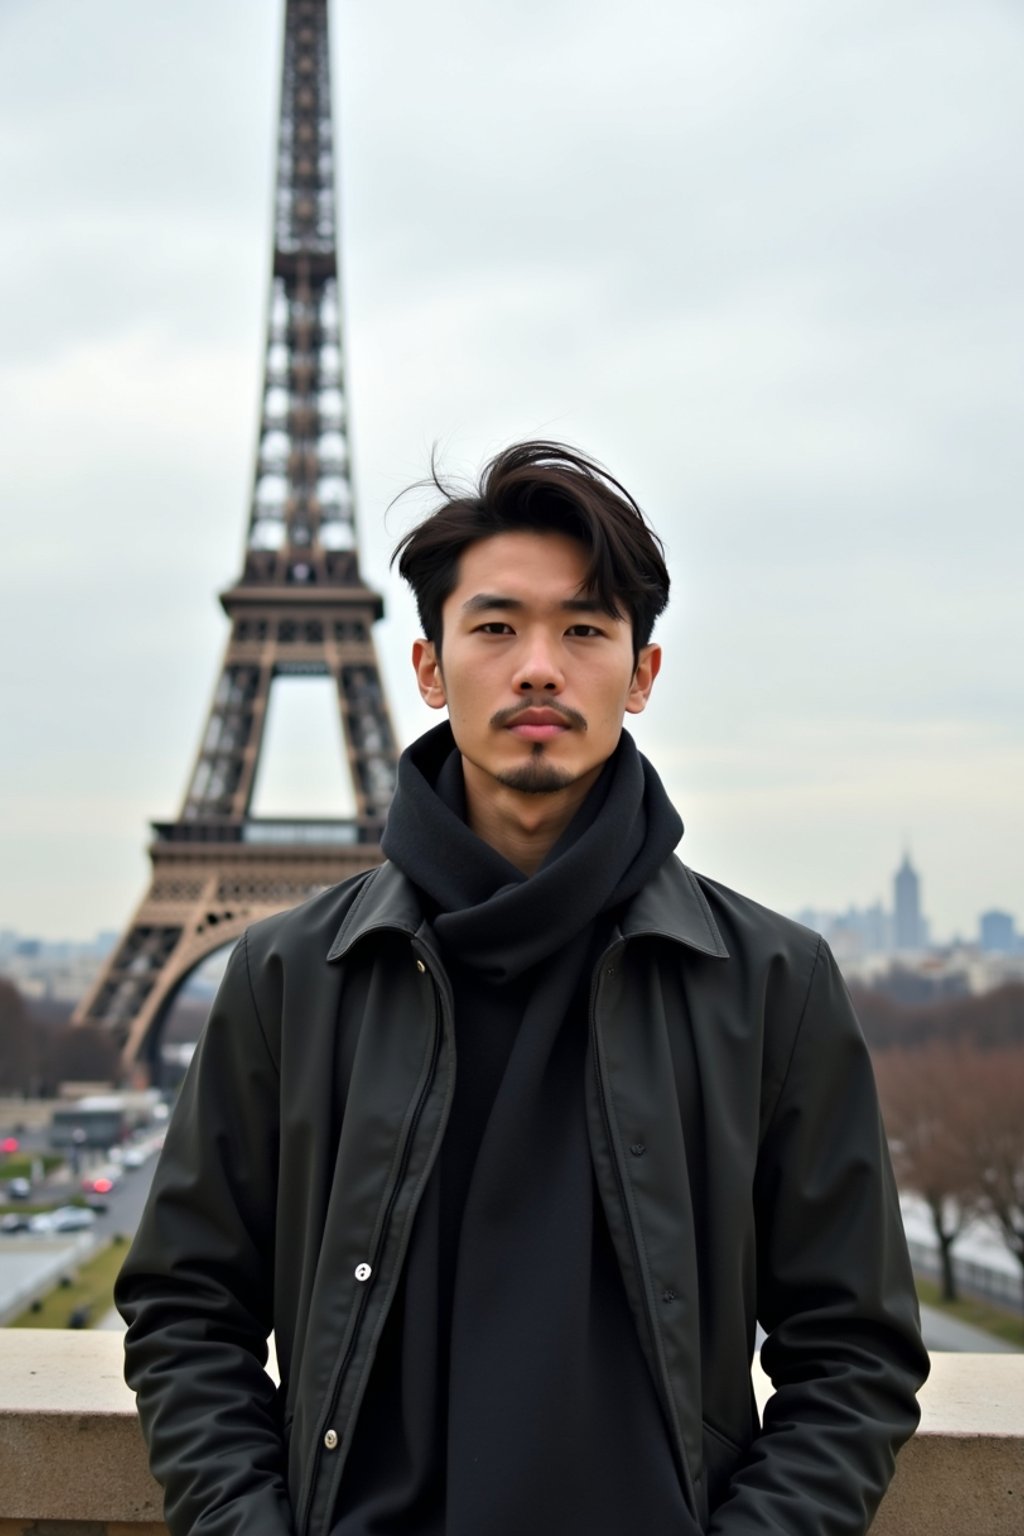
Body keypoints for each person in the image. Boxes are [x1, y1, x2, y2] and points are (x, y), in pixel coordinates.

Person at [116, 441, 929, 1536]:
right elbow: (185, 1309)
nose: (538, 667)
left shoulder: (777, 984)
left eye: (584, 629)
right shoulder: (283, 976)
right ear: (428, 668)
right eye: (495, 628)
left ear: (641, 675)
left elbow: (853, 1351)